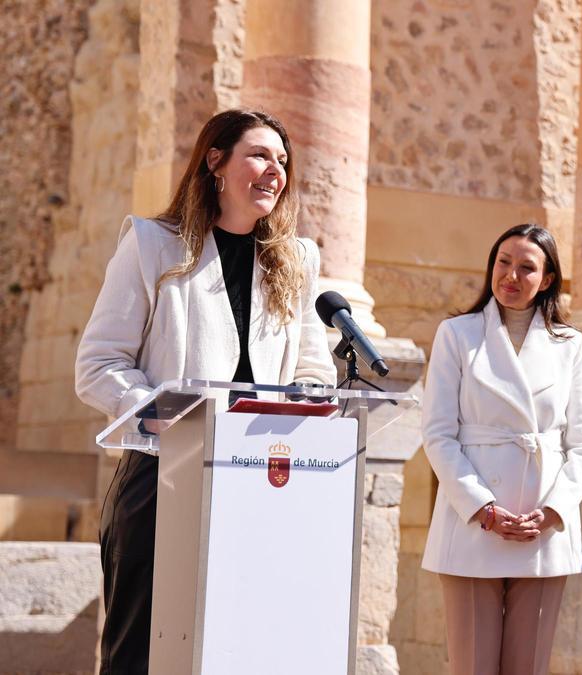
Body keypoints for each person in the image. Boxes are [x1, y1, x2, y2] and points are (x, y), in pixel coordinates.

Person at [75, 109, 337, 674]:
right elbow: (98, 364)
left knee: (235, 650)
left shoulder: (297, 261)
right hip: (163, 478)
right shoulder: (152, 245)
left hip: (260, 484)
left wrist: (310, 399)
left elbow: (316, 371)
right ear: (215, 161)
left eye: (283, 161)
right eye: (260, 155)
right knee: (140, 653)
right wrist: (166, 415)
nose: (275, 171)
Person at [420, 224, 582, 675]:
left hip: (543, 528)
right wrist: (482, 507)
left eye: (527, 267)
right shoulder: (457, 334)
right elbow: (438, 433)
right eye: (504, 262)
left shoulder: (572, 346)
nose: (512, 276)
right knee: (473, 666)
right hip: (473, 522)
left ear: (548, 279)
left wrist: (554, 511)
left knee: (529, 667)